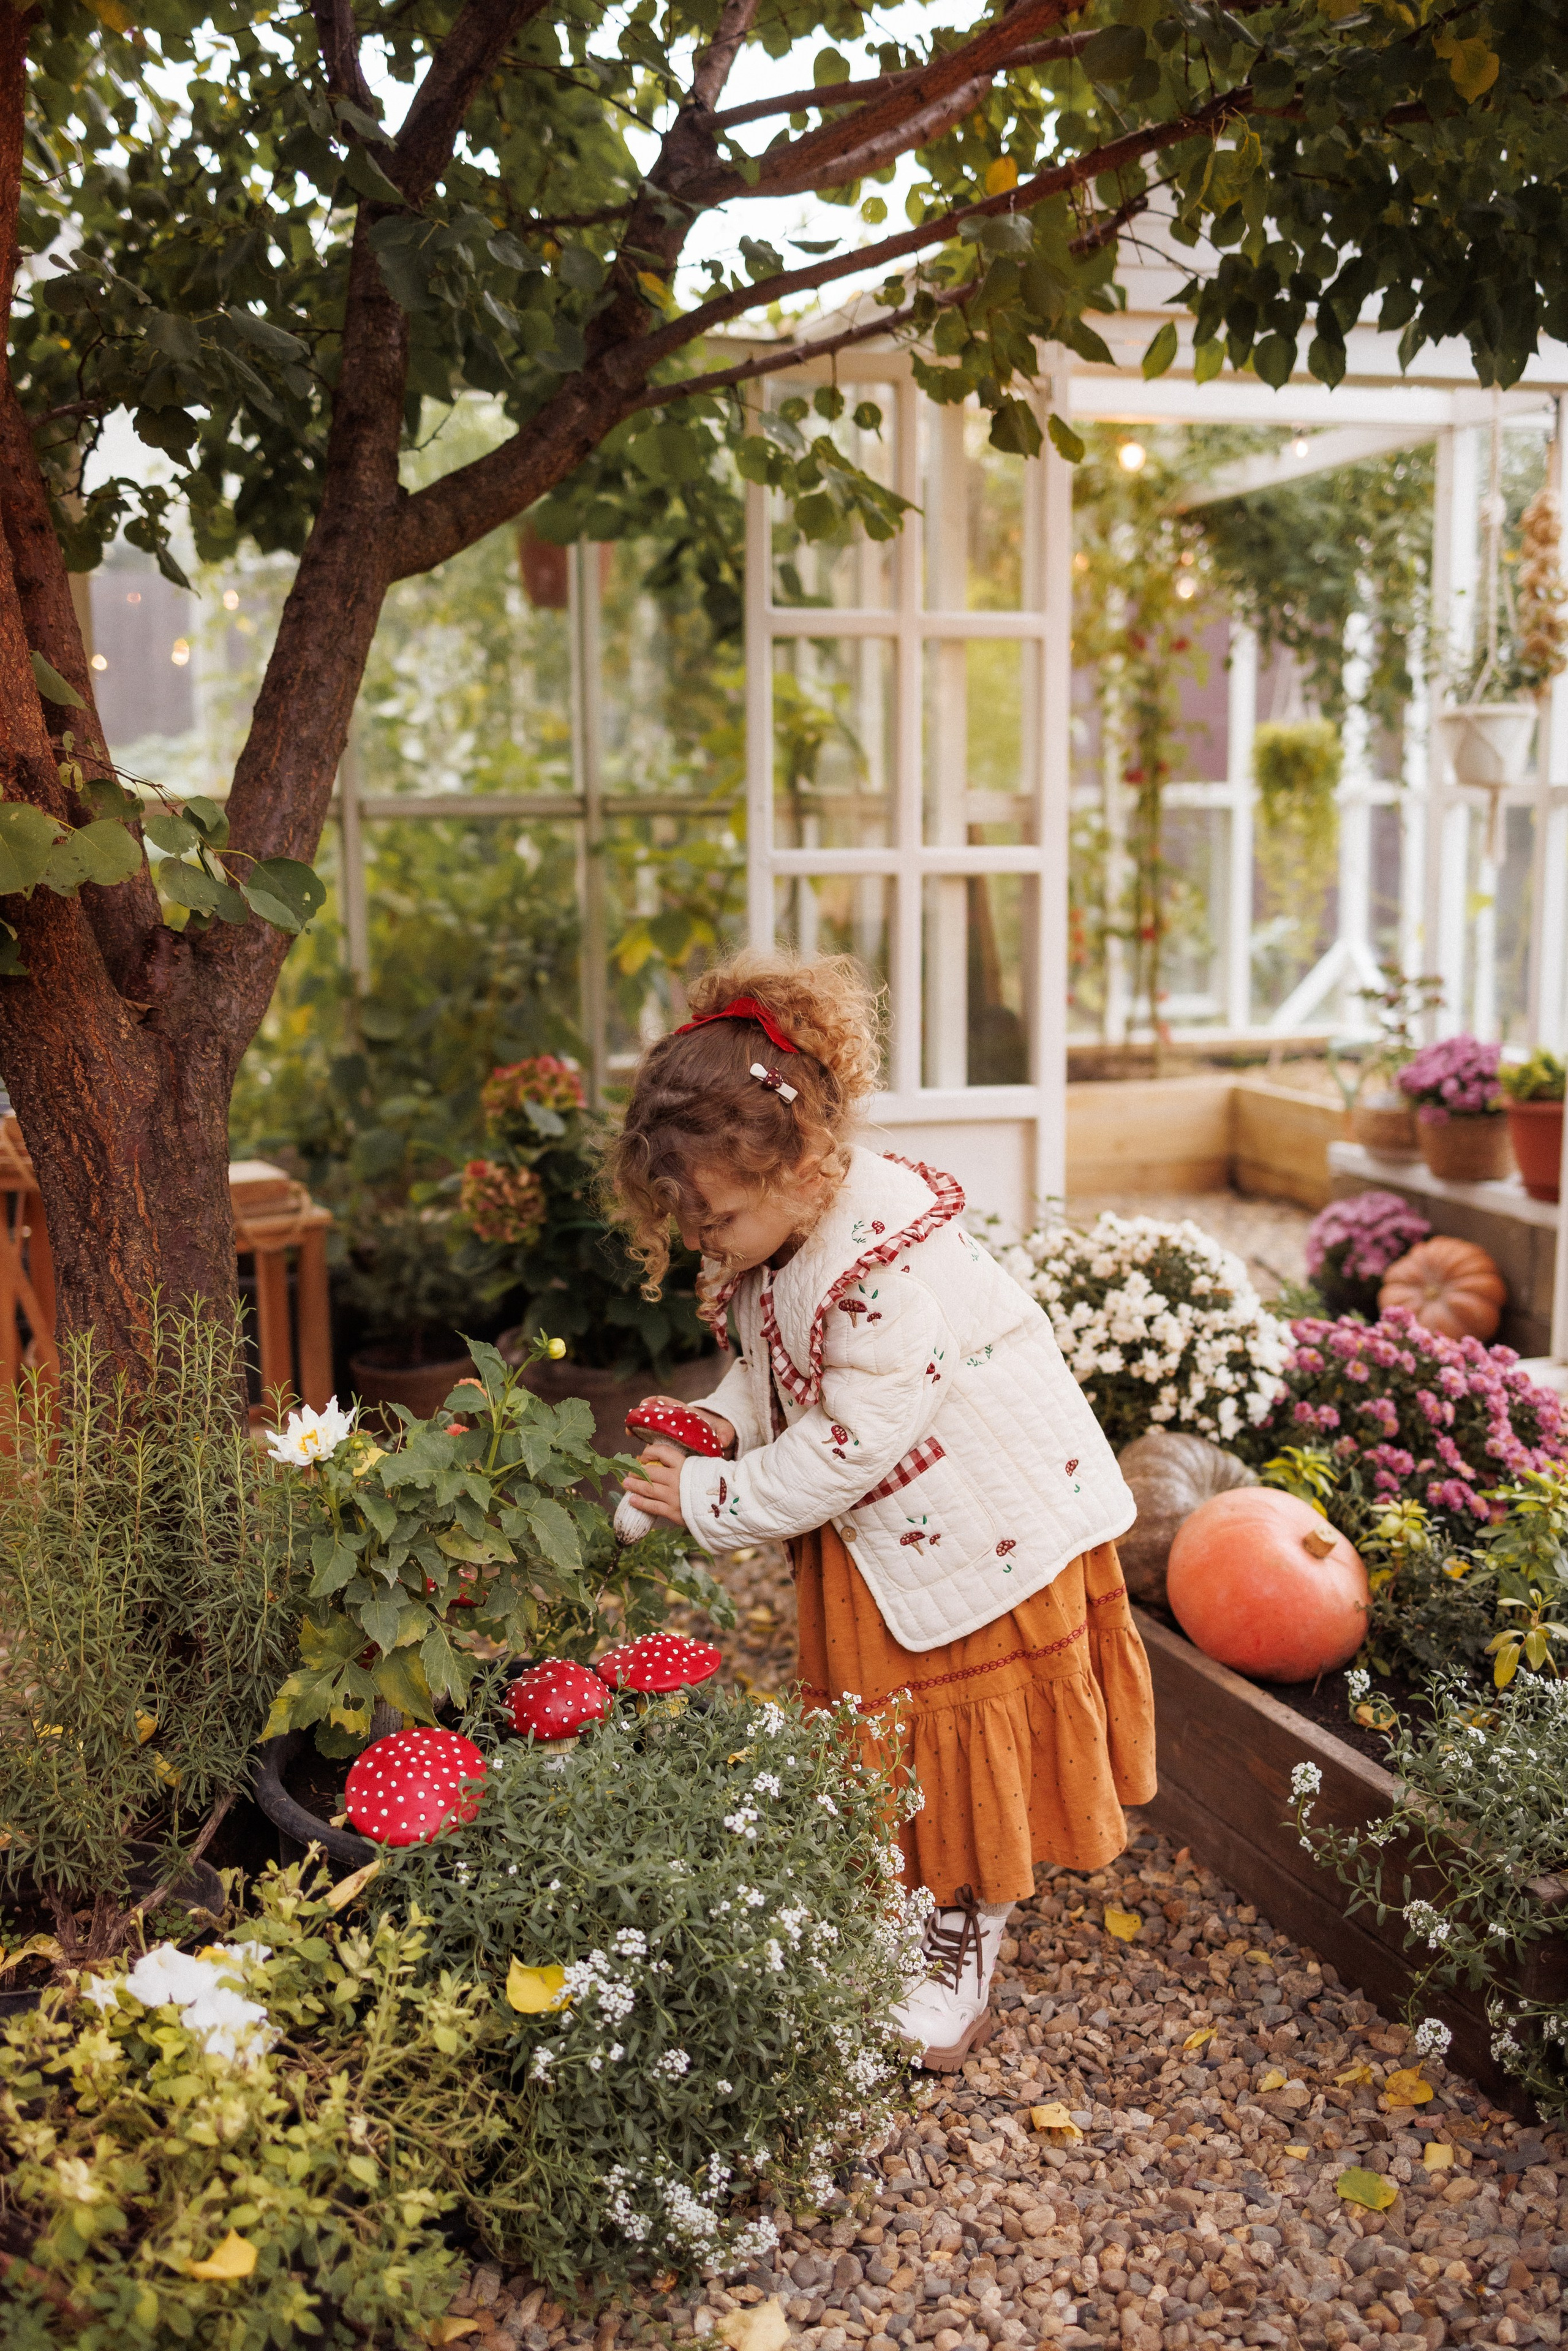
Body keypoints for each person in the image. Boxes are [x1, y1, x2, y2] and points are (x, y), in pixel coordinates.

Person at [606, 949, 1156, 2069]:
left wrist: (713, 1496)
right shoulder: (781, 1237)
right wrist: (714, 1428)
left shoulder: (884, 1276)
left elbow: (850, 1443)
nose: (702, 1245)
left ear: (803, 1167)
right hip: (897, 1535)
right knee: (879, 1721)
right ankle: (906, 1888)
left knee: (956, 1717)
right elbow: (771, 1376)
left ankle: (966, 1920)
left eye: (711, 1220)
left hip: (978, 1538)